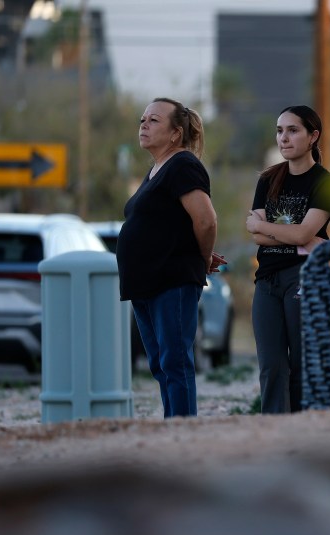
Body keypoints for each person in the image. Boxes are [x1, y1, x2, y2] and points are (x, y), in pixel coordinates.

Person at [117, 97, 226, 418]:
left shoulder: (183, 165)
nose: (143, 126)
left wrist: (202, 259)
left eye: (153, 121)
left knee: (175, 361)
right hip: (146, 283)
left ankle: (182, 430)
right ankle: (172, 426)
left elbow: (206, 220)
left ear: (176, 133)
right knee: (160, 364)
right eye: (142, 120)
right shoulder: (155, 169)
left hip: (171, 280)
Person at [246, 105, 330, 414]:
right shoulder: (268, 179)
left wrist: (264, 226)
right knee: (271, 365)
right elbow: (263, 238)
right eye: (279, 131)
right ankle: (273, 431)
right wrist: (297, 235)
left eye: (292, 130)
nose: (283, 138)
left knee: (302, 363)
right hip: (267, 281)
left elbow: (298, 234)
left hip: (305, 278)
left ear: (313, 136)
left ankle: (303, 432)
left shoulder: (325, 183)